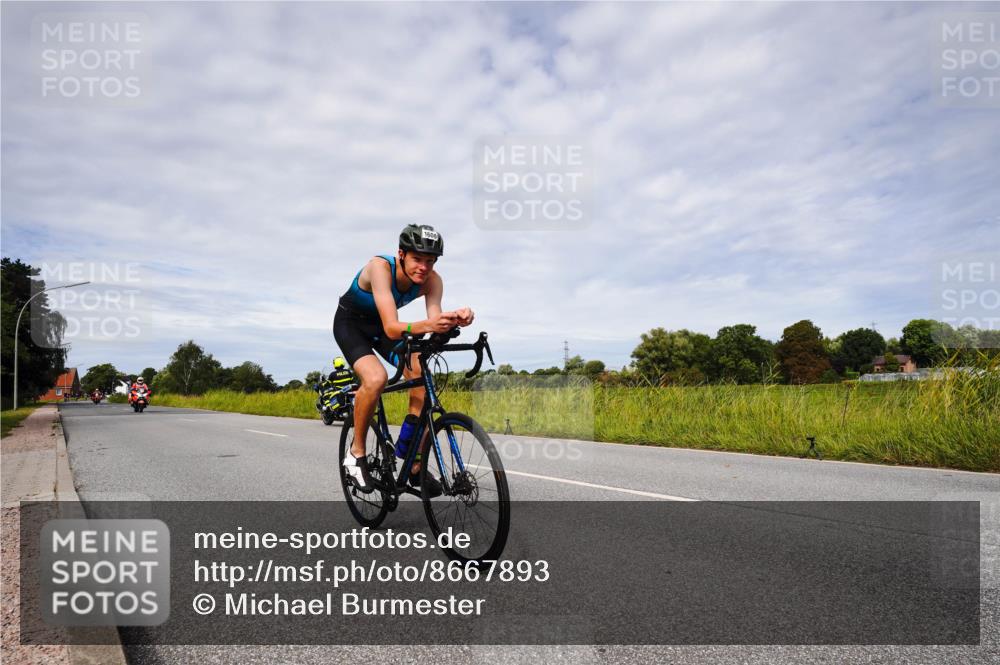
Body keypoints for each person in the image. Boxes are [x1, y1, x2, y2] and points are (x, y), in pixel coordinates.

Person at [333, 224, 474, 493]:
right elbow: (392, 326)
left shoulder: (433, 281)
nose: (424, 267)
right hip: (352, 325)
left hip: (387, 329)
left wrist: (455, 319)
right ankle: (356, 453)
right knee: (376, 379)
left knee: (421, 377)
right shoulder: (380, 268)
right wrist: (431, 324)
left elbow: (433, 322)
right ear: (401, 254)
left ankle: (412, 461)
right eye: (417, 259)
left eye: (430, 261)